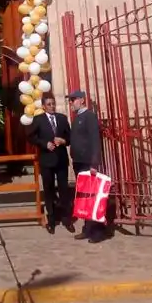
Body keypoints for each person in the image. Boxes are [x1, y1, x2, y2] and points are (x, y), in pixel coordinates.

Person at [28, 94, 73, 235]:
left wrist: (64, 141)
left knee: (64, 190)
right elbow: (30, 136)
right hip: (47, 160)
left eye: (53, 103)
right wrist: (44, 144)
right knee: (48, 191)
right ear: (43, 106)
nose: (52, 106)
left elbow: (70, 137)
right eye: (49, 104)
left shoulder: (62, 118)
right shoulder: (38, 120)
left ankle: (67, 219)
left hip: (61, 160)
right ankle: (51, 220)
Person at [66, 90, 105, 243]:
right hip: (78, 162)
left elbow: (95, 140)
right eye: (70, 100)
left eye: (73, 100)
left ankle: (98, 232)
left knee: (92, 198)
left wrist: (94, 163)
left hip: (88, 162)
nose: (71, 103)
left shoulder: (89, 116)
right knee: (84, 199)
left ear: (81, 100)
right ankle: (87, 229)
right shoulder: (77, 118)